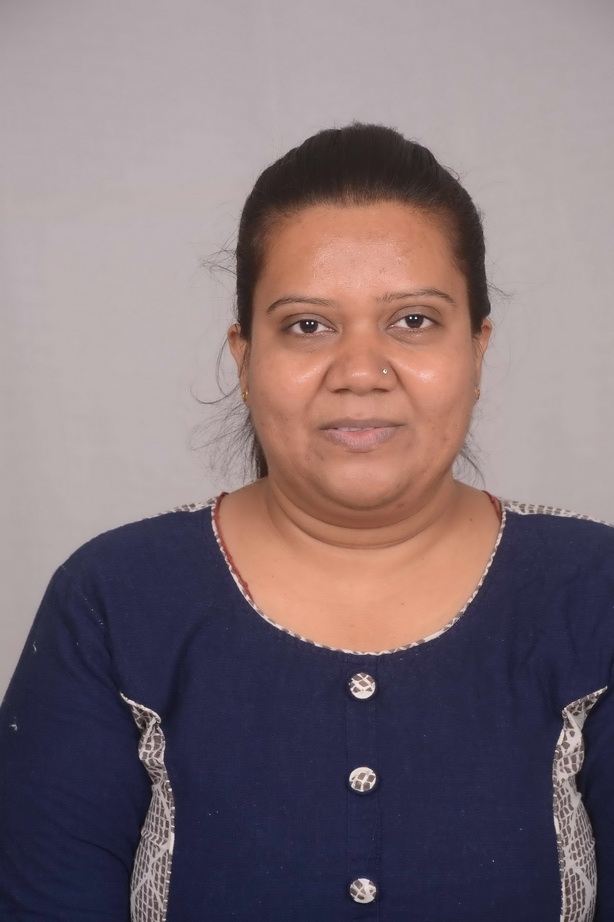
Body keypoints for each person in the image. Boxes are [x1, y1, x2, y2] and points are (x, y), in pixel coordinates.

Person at [0, 123, 612, 922]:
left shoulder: (592, 591)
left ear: (477, 349)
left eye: (414, 320)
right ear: (246, 358)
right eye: (307, 326)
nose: (360, 372)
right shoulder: (115, 599)